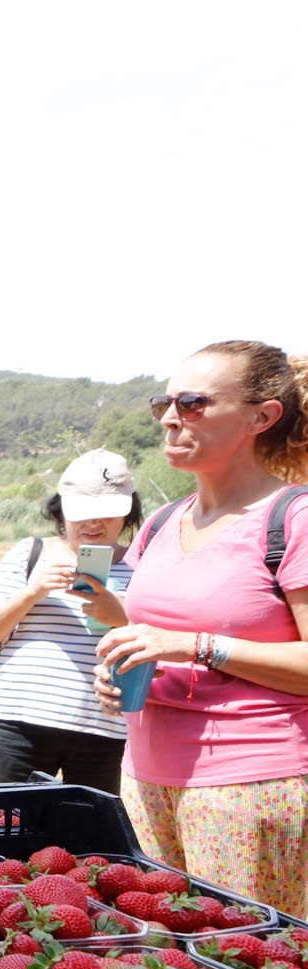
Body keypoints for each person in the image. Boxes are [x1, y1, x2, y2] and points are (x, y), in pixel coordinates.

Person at [94, 340, 308, 916]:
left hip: (250, 788)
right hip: (144, 777)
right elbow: (146, 634)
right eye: (163, 401)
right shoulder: (162, 524)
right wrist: (114, 675)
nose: (169, 417)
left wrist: (195, 646)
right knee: (168, 965)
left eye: (192, 403)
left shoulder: (295, 519)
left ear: (261, 417)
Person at [0, 449, 138, 789]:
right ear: (61, 510)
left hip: (104, 730)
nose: (93, 523)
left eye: (106, 513)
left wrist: (122, 616)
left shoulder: (142, 565)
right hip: (18, 725)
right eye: (83, 513)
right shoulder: (30, 554)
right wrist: (32, 593)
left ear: (128, 511)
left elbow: (160, 642)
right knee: (8, 832)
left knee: (87, 839)